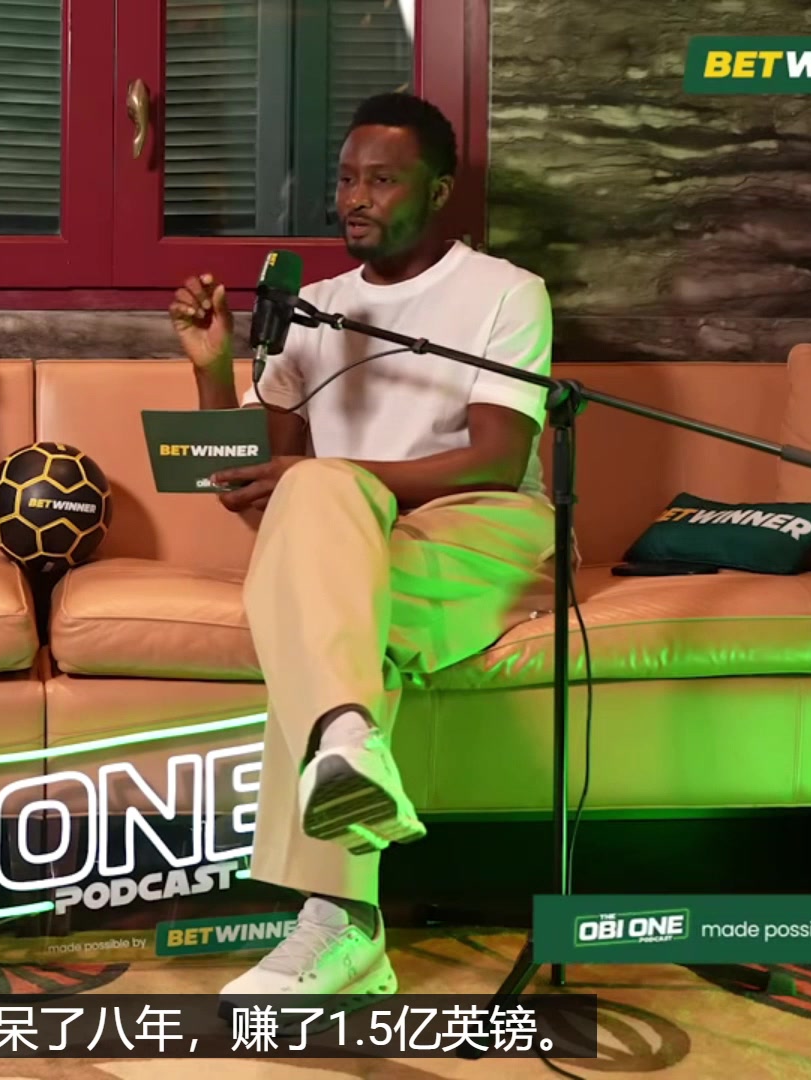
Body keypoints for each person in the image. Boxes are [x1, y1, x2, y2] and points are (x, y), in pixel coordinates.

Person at [168, 92, 557, 1004]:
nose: (355, 198)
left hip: (481, 527)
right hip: (352, 537)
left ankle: (342, 927)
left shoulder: (507, 292)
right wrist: (212, 366)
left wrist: (336, 478)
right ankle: (347, 746)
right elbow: (250, 475)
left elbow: (499, 459)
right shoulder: (311, 307)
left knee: (317, 602)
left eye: (382, 181)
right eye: (346, 179)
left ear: (439, 191)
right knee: (328, 596)